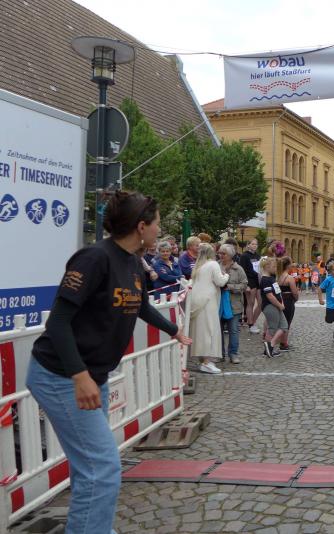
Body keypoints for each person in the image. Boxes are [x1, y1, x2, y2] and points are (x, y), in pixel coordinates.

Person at [27, 191, 191, 534]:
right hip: (61, 376)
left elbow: (141, 306)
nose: (159, 230)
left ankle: (91, 527)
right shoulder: (94, 258)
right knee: (103, 467)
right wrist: (80, 376)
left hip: (93, 375)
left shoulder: (132, 261)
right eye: (157, 223)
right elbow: (57, 322)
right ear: (141, 226)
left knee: (90, 466)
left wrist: (173, 330)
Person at [189, 243, 229, 374]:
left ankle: (203, 360)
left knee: (200, 330)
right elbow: (220, 282)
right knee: (209, 330)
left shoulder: (198, 266)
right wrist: (226, 275)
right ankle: (206, 362)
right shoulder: (213, 264)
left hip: (197, 301)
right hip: (208, 301)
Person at [219, 244, 247, 364]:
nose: (221, 255)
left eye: (223, 253)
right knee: (218, 330)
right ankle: (220, 354)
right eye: (220, 253)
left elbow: (244, 285)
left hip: (234, 304)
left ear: (230, 255)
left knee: (233, 330)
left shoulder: (238, 269)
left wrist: (230, 287)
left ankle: (233, 353)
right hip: (219, 303)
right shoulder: (216, 266)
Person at [259, 257, 288, 357]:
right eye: (274, 266)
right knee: (272, 328)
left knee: (284, 326)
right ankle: (269, 348)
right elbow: (270, 296)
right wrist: (280, 305)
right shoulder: (265, 280)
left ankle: (270, 345)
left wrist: (281, 303)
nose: (276, 268)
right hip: (270, 306)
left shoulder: (271, 278)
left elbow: (277, 292)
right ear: (267, 267)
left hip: (277, 306)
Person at [276, 256, 300, 351]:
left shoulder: (277, 277)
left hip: (279, 300)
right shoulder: (289, 278)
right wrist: (296, 298)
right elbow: (295, 292)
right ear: (288, 265)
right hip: (288, 301)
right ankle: (284, 343)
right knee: (287, 322)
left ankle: (280, 341)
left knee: (280, 321)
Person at [239, 239, 262, 334]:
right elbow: (242, 271)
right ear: (248, 245)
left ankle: (253, 320)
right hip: (249, 281)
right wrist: (246, 285)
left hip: (257, 280)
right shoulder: (244, 256)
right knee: (250, 303)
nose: (254, 246)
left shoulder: (258, 256)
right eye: (252, 244)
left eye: (256, 244)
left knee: (261, 302)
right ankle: (251, 324)